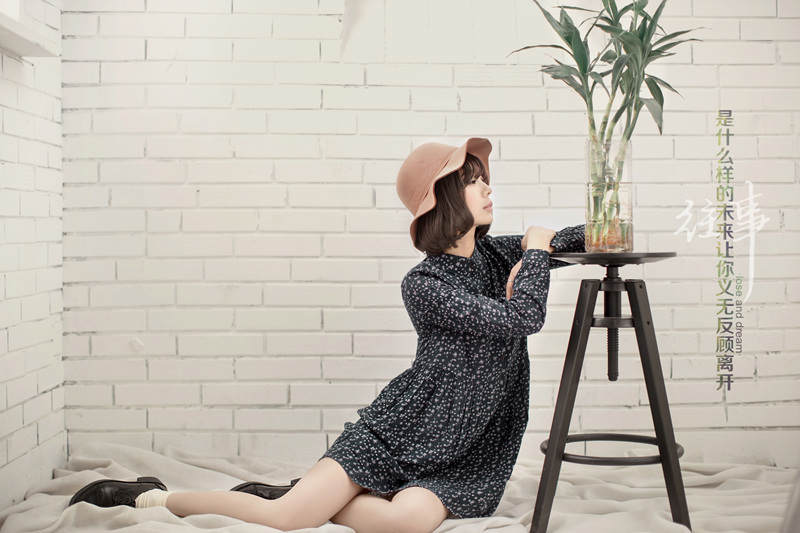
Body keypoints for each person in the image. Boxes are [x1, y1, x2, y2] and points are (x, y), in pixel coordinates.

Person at [68, 137, 585, 532]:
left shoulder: (496, 254)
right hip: (402, 431)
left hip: (470, 449)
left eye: (483, 178)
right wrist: (537, 251)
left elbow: (581, 240)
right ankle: (152, 495)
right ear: (446, 199)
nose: (488, 188)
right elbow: (523, 318)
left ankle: (307, 494)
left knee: (407, 522)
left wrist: (563, 234)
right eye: (473, 181)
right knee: (289, 518)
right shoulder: (424, 284)